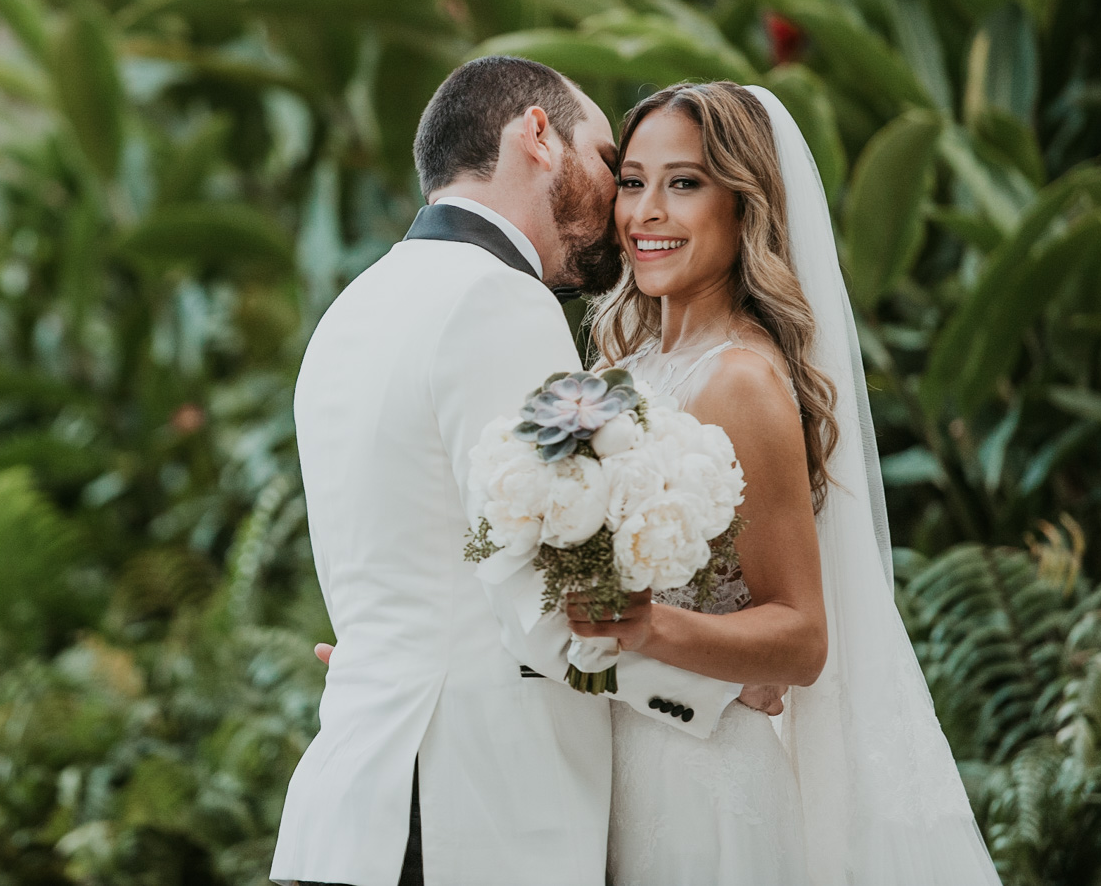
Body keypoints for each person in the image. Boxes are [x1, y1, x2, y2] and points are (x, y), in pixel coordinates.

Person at [269, 57, 757, 886]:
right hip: (465, 820)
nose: (623, 201)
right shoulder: (499, 300)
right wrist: (718, 687)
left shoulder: (353, 307)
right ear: (537, 135)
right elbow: (546, 601)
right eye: (611, 163)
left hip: (347, 814)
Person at [577, 82, 1000, 885]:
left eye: (685, 183)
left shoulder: (740, 380)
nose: (647, 213)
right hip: (607, 766)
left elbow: (801, 640)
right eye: (632, 182)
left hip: (699, 786)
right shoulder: (619, 373)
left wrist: (646, 627)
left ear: (744, 206)